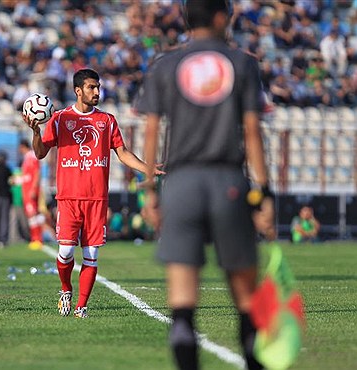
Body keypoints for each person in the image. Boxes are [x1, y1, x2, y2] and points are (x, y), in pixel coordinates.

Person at [136, 1, 275, 369]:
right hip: (228, 181)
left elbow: (151, 131)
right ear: (219, 17)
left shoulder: (165, 65)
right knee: (246, 301)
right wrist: (264, 191)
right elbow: (252, 132)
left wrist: (149, 189)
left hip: (180, 185)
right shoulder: (242, 63)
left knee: (182, 305)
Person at [23, 68, 159, 319]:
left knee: (91, 254)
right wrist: (35, 133)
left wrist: (147, 168)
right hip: (68, 198)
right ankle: (65, 290)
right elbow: (41, 153)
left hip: (97, 199)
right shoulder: (61, 119)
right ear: (78, 91)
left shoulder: (106, 121)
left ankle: (81, 307)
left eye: (98, 87)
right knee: (64, 252)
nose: (97, 92)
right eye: (91, 88)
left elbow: (123, 152)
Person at [18, 139, 44, 251]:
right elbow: (28, 175)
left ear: (23, 146)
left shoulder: (32, 157)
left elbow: (37, 173)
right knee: (33, 215)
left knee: (32, 215)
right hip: (27, 189)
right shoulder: (27, 157)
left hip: (30, 190)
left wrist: (33, 188)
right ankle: (36, 239)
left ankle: (37, 239)